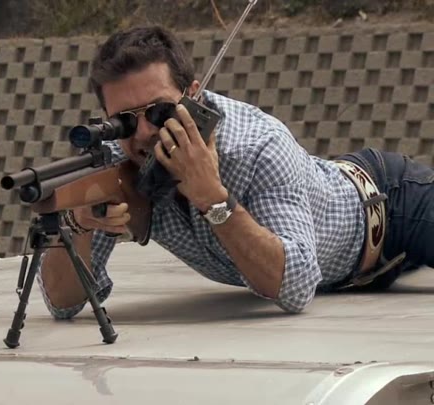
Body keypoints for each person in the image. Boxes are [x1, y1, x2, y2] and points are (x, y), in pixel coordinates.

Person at [34, 25, 434, 319]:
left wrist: (212, 198)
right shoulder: (111, 158)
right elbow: (63, 303)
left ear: (194, 95)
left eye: (158, 112)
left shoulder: (257, 145)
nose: (142, 133)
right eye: (123, 120)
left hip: (389, 206)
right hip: (347, 273)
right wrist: (78, 224)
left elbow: (296, 287)